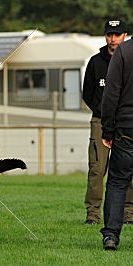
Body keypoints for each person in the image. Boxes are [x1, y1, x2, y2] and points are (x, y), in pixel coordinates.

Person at [82, 18, 132, 225]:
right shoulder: (96, 61)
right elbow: (87, 93)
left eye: (117, 35)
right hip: (100, 121)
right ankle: (93, 214)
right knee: (97, 168)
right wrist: (101, 112)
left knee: (128, 168)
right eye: (110, 34)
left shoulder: (129, 58)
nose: (113, 39)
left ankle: (129, 215)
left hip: (126, 123)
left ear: (125, 35)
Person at [100, 20, 133, 250]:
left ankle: (111, 235)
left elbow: (111, 94)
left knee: (117, 182)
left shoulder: (123, 51)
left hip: (126, 128)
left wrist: (107, 130)